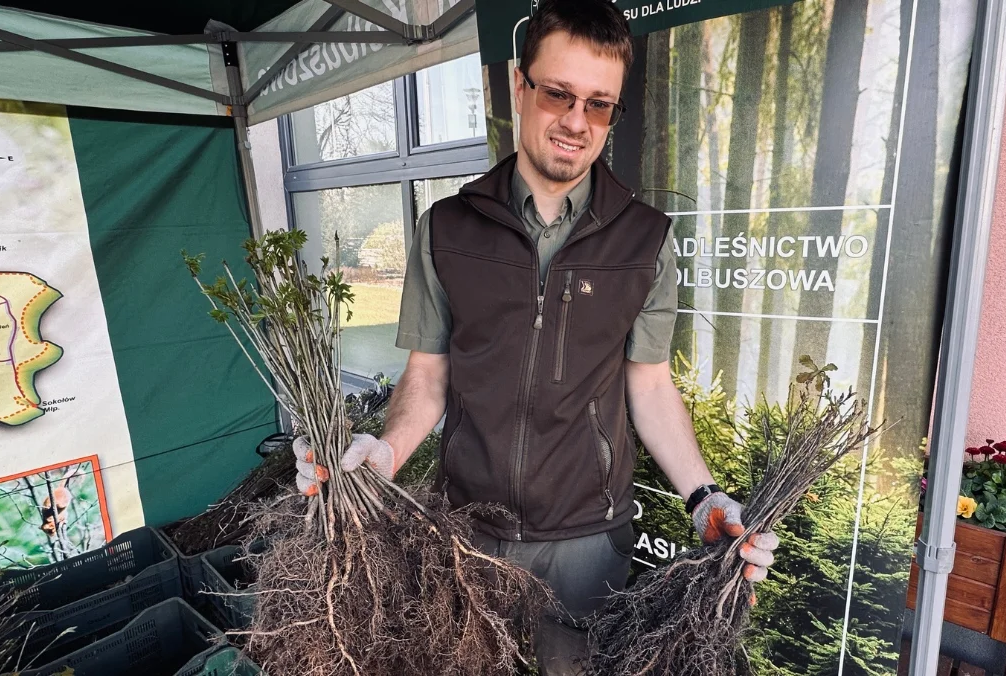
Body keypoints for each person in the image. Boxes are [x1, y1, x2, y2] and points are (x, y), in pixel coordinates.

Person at [296, 1, 778, 672]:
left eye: (599, 105)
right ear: (521, 87)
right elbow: (427, 375)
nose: (577, 122)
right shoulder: (447, 230)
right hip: (465, 533)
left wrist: (703, 497)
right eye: (558, 93)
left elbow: (649, 384)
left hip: (587, 547)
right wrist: (389, 449)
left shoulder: (646, 241)